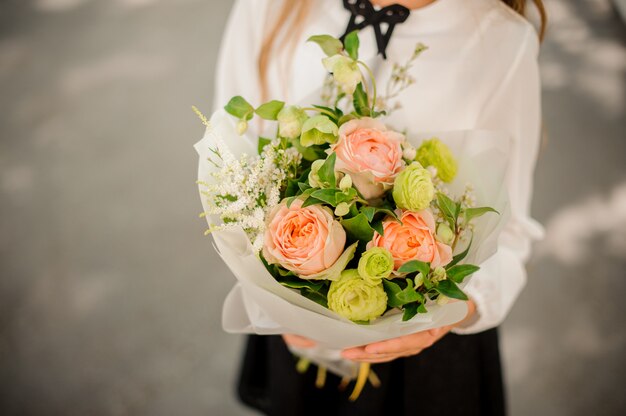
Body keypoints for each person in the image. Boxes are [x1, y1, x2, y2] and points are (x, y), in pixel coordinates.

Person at [212, 0, 547, 414]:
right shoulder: (273, 7)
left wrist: (459, 309)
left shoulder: (500, 41)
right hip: (293, 320)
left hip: (428, 347)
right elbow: (231, 163)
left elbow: (511, 235)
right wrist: (278, 288)